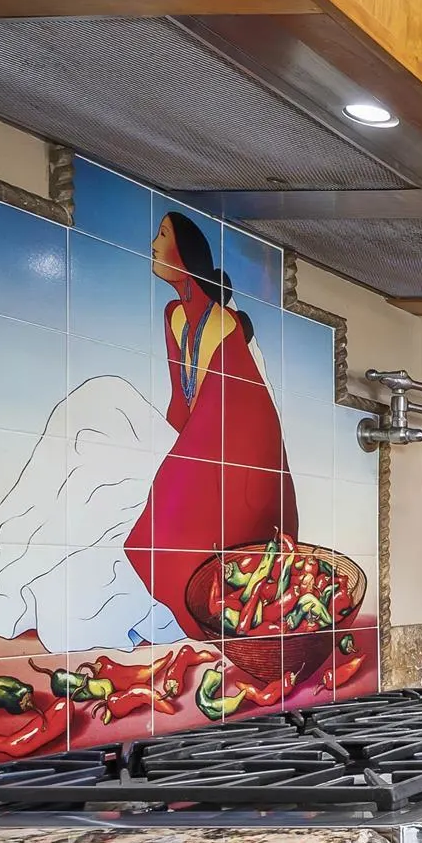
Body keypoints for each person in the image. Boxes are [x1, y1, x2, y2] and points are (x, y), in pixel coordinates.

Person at [124, 208, 297, 625]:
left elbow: (221, 395)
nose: (153, 245)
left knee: (192, 513)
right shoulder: (174, 315)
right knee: (178, 517)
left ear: (184, 254)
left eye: (162, 236)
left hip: (244, 433)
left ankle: (213, 614)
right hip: (212, 426)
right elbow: (181, 389)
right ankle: (209, 614)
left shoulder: (224, 323)